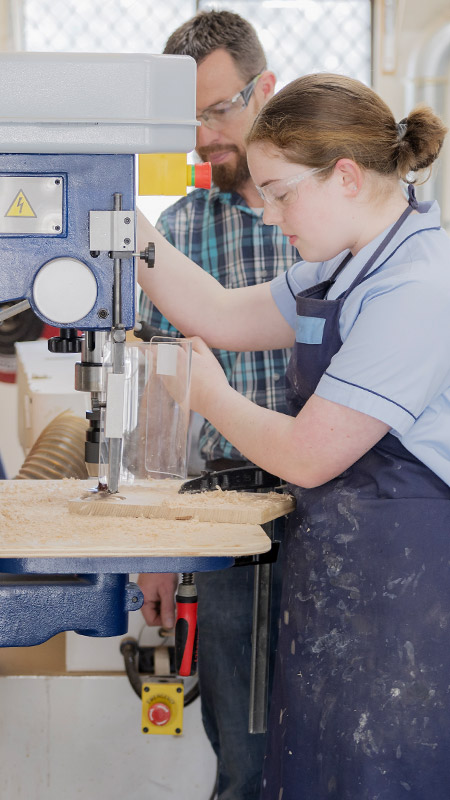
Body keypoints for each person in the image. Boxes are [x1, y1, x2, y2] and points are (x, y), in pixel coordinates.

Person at [138, 72, 450, 799]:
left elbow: (311, 455)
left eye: (280, 193)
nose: (272, 216)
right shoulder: (342, 266)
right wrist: (118, 221)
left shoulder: (416, 287)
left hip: (404, 600)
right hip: (337, 585)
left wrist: (209, 397)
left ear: (344, 175)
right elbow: (217, 312)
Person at [137, 11, 297, 800]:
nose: (204, 138)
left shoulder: (329, 213)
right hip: (231, 526)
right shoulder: (179, 229)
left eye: (220, 110)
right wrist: (158, 546)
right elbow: (162, 400)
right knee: (245, 761)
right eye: (189, 120)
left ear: (265, 89)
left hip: (348, 510)